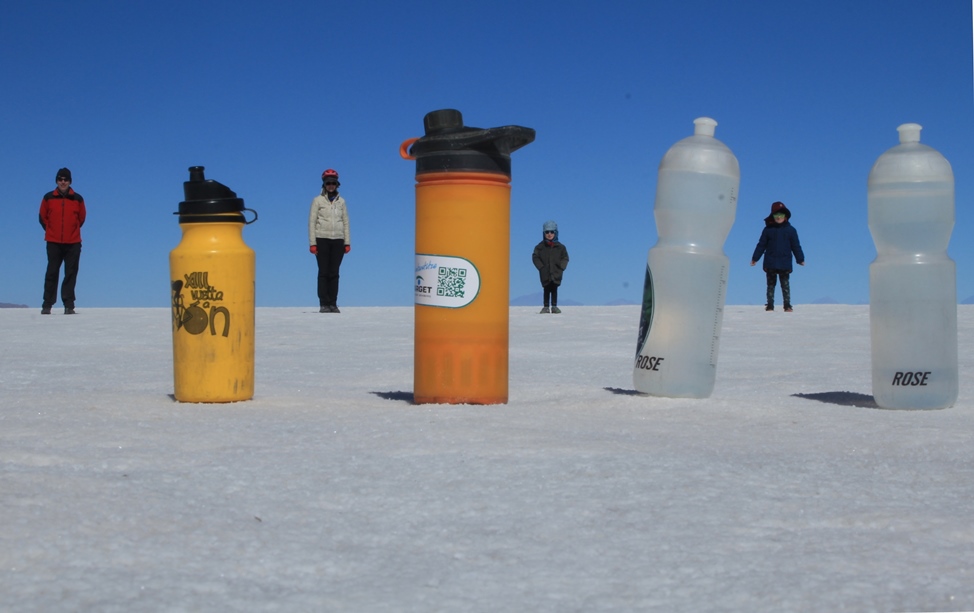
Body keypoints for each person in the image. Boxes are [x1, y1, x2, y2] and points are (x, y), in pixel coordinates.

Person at [39, 168, 86, 315]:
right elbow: (42, 217)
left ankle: (69, 305)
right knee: (52, 272)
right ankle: (47, 304)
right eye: (60, 179)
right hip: (53, 242)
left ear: (70, 181)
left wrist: (72, 231)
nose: (63, 182)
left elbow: (82, 218)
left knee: (71, 273)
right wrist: (51, 230)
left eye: (65, 179)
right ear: (56, 181)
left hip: (73, 242)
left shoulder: (77, 199)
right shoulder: (48, 197)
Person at [308, 168, 350, 313]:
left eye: (333, 183)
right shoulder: (317, 201)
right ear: (324, 185)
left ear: (337, 185)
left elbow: (345, 222)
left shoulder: (342, 202)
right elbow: (312, 222)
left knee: (334, 272)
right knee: (323, 272)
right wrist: (313, 243)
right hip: (322, 239)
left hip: (338, 240)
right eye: (328, 183)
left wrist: (347, 242)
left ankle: (333, 303)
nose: (331, 185)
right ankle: (324, 304)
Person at [751, 201, 805, 312]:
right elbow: (761, 245)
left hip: (785, 262)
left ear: (786, 217)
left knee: (785, 284)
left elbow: (796, 246)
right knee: (770, 285)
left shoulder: (791, 230)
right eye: (776, 215)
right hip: (770, 261)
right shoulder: (768, 230)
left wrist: (800, 259)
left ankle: (787, 305)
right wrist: (755, 258)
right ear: (772, 216)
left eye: (781, 215)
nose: (779, 217)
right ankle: (770, 305)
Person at [532, 220, 569, 314]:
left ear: (555, 233)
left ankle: (554, 306)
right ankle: (546, 306)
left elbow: (565, 258)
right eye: (547, 232)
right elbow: (535, 257)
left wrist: (561, 267)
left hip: (556, 272)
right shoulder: (540, 247)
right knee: (546, 288)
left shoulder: (561, 247)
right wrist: (541, 267)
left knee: (554, 288)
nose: (549, 234)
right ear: (543, 233)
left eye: (552, 232)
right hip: (545, 273)